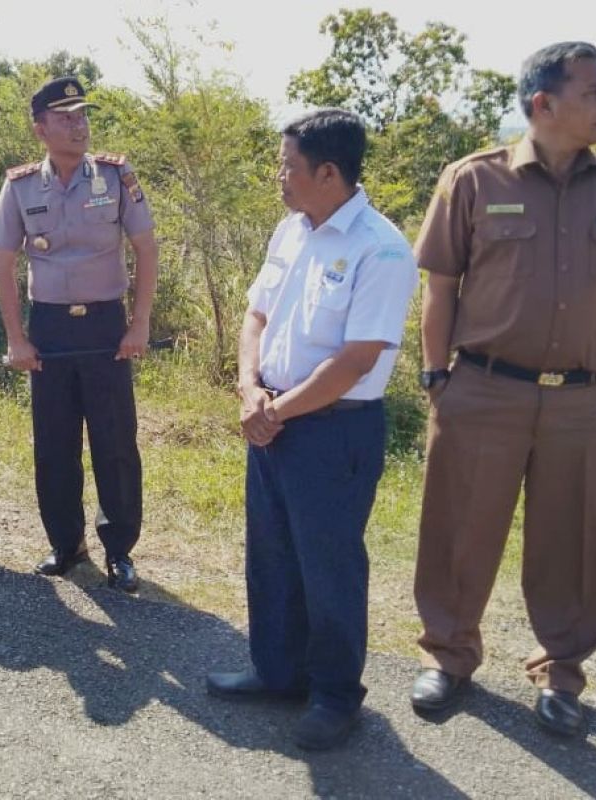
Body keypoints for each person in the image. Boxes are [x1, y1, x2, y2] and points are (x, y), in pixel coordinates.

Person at [409, 42, 596, 737]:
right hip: (485, 391)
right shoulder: (472, 181)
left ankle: (563, 673)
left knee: (576, 542)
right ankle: (450, 655)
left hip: (587, 401)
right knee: (460, 531)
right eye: (595, 92)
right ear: (544, 104)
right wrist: (438, 378)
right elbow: (439, 285)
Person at [203, 109, 417, 750]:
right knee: (270, 554)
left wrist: (276, 410)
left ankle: (334, 695)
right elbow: (256, 315)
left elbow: (356, 360)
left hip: (333, 432)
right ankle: (278, 673)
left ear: (329, 172)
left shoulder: (380, 248)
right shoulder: (290, 231)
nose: (279, 178)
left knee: (329, 566)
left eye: (288, 167)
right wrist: (249, 390)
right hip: (271, 418)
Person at [0, 76, 157, 592]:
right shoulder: (19, 186)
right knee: (55, 444)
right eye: (64, 118)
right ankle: (66, 544)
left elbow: (146, 250)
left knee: (115, 443)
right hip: (51, 329)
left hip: (107, 325)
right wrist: (17, 338)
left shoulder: (116, 174)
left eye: (82, 115)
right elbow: (3, 265)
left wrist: (140, 323)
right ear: (40, 129)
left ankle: (120, 551)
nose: (77, 125)